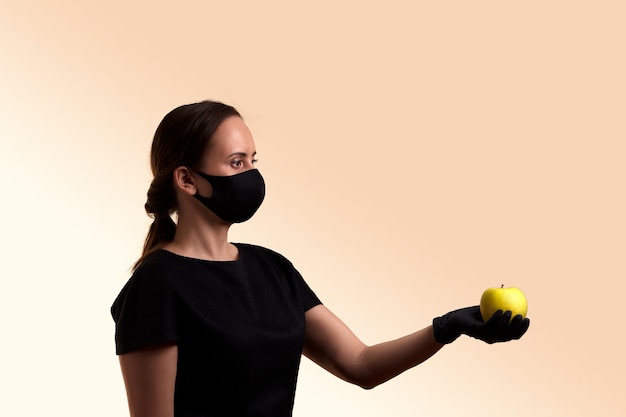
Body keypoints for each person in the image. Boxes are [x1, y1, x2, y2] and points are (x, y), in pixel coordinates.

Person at [111, 100, 530, 417]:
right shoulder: (156, 287)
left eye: (253, 161)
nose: (251, 176)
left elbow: (361, 364)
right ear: (187, 179)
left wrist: (446, 328)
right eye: (236, 162)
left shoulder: (273, 270)